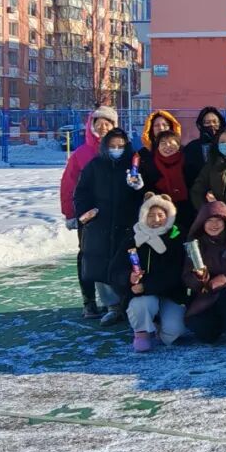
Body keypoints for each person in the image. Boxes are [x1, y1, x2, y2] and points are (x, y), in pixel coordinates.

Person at [73, 127, 144, 326]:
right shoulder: (95, 165)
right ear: (105, 146)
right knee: (100, 264)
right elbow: (81, 192)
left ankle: (127, 304)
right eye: (113, 146)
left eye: (121, 146)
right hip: (100, 223)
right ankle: (112, 306)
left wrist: (139, 188)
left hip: (127, 223)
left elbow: (144, 195)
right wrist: (86, 212)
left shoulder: (134, 166)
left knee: (127, 263)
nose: (117, 149)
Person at [60, 105, 118, 319]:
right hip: (89, 216)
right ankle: (89, 302)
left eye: (107, 124)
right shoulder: (82, 154)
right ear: (91, 126)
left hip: (114, 214)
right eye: (98, 124)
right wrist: (71, 213)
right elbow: (68, 184)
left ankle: (116, 302)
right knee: (87, 256)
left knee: (114, 255)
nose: (103, 128)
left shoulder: (119, 149)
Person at [112, 192, 187, 352]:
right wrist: (128, 278)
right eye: (151, 215)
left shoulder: (177, 236)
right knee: (143, 304)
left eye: (161, 215)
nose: (156, 220)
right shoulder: (133, 238)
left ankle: (159, 326)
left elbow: (176, 273)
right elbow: (115, 271)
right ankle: (142, 332)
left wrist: (146, 286)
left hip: (171, 294)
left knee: (173, 333)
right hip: (141, 296)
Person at [182, 200, 226, 350]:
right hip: (206, 294)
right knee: (204, 332)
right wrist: (199, 278)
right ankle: (215, 329)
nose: (214, 225)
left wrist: (221, 280)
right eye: (209, 220)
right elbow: (187, 275)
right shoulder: (195, 246)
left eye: (218, 220)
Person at [138, 130, 194, 233]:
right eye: (163, 143)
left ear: (178, 145)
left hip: (187, 210)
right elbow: (145, 188)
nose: (167, 146)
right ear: (158, 147)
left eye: (171, 142)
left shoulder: (188, 161)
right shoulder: (149, 164)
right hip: (160, 213)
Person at [183, 106, 226, 188]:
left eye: (215, 122)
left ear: (220, 123)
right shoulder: (191, 147)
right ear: (201, 125)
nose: (212, 125)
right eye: (207, 122)